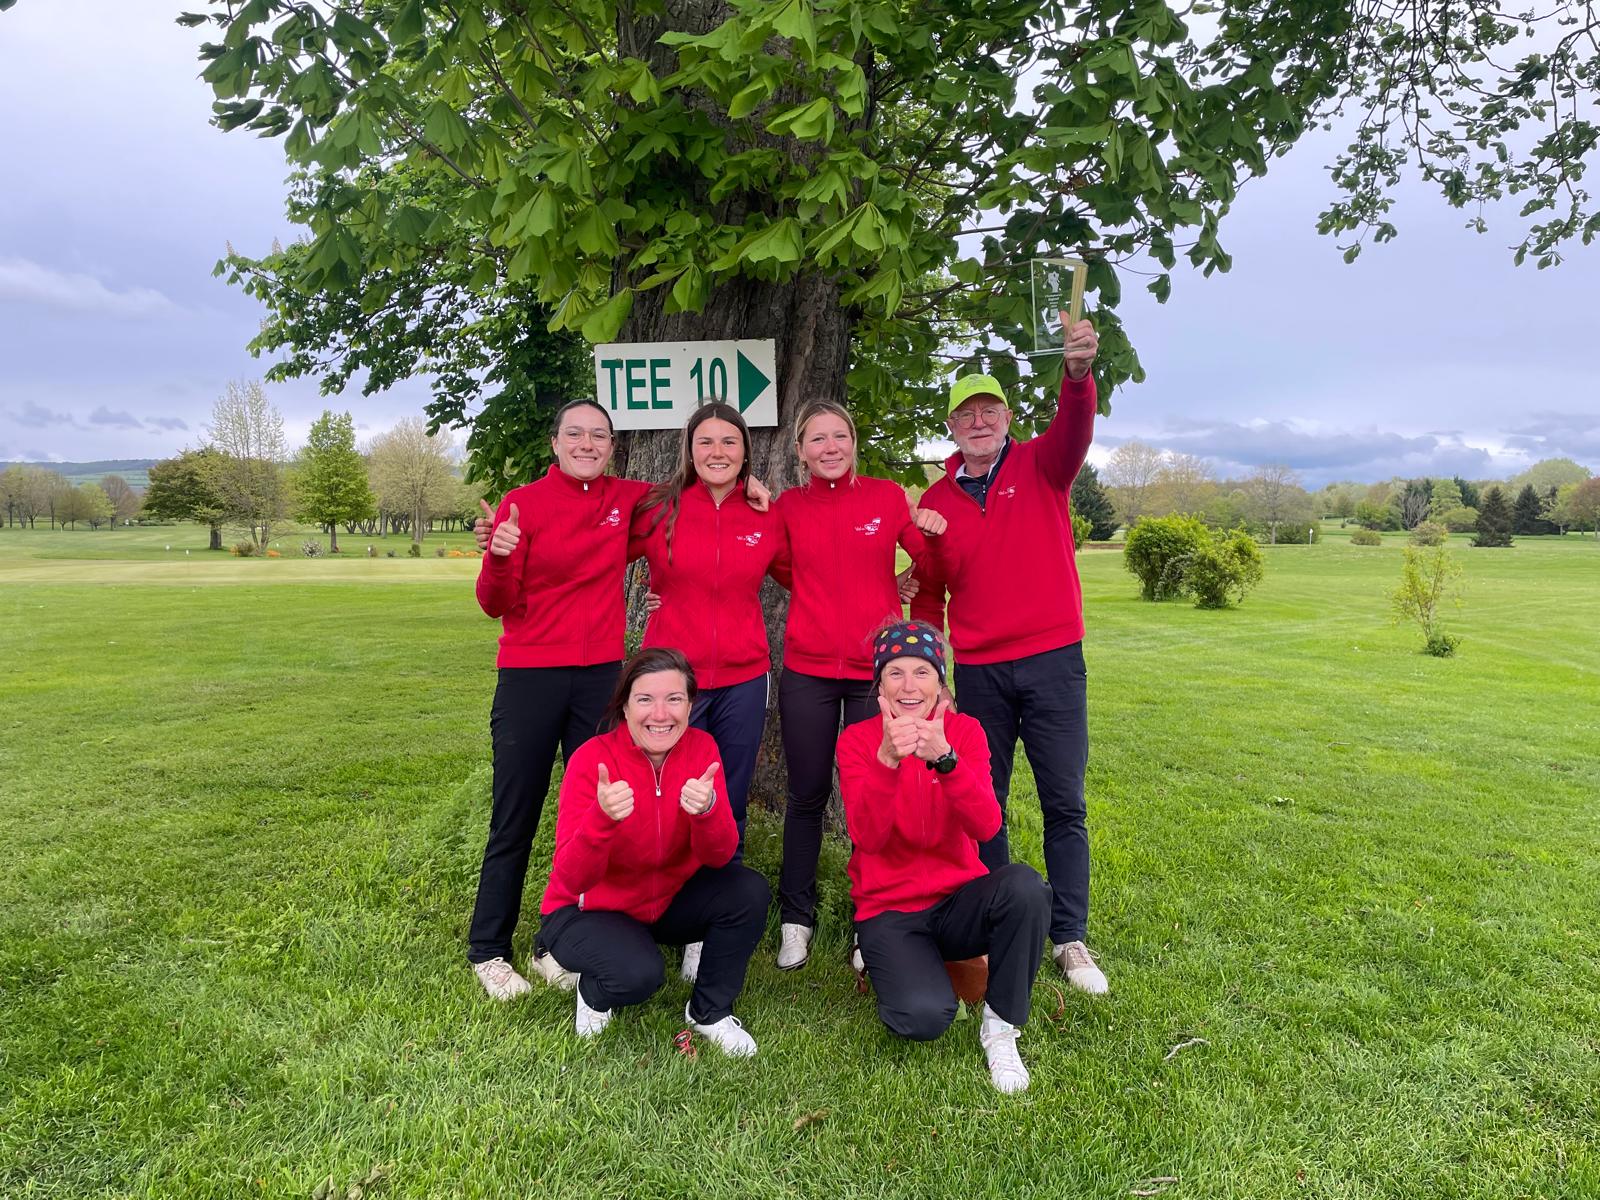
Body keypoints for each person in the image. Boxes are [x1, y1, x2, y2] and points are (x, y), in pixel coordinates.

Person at [467, 399, 768, 1001]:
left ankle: (558, 941)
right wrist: (498, 555)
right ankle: (489, 950)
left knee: (601, 810)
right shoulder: (521, 503)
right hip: (531, 673)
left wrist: (747, 482)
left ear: (612, 445)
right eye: (574, 433)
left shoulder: (632, 499)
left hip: (601, 675)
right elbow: (494, 602)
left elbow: (697, 484)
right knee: (516, 812)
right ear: (554, 443)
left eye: (598, 435)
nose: (586, 443)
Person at [909, 314, 1110, 995]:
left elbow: (1075, 426)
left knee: (1063, 800)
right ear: (952, 428)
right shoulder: (933, 505)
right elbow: (927, 595)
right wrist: (929, 679)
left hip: (1054, 660)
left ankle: (1070, 936)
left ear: (1006, 417)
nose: (978, 420)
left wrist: (1077, 374)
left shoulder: (1042, 464)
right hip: (983, 672)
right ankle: (998, 923)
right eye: (965, 413)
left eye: (989, 408)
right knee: (983, 802)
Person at [766, 399, 946, 971]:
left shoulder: (887, 497)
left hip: (876, 677)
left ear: (853, 442)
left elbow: (929, 565)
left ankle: (876, 918)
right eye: (816, 439)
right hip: (808, 669)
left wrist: (930, 538)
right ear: (800, 451)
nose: (829, 447)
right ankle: (797, 916)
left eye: (839, 436)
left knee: (878, 790)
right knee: (808, 793)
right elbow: (776, 566)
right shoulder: (788, 507)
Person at [835, 620, 1050, 1093]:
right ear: (878, 685)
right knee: (923, 1018)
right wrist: (888, 761)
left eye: (922, 672)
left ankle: (1000, 1027)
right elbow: (867, 838)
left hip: (958, 901)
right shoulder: (856, 741)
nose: (909, 686)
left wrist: (947, 759)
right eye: (895, 673)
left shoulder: (966, 733)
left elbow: (988, 827)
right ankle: (882, 956)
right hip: (889, 907)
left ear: (941, 681)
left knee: (1026, 888)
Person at [538, 647, 770, 1055]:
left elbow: (719, 857)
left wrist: (710, 810)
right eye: (645, 699)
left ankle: (709, 1012)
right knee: (640, 975)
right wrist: (602, 819)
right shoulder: (591, 760)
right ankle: (592, 990)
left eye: (674, 699)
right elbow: (571, 879)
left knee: (747, 890)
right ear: (624, 707)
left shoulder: (702, 750)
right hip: (585, 911)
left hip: (662, 902)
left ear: (690, 704)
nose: (660, 715)